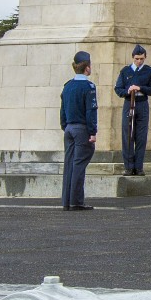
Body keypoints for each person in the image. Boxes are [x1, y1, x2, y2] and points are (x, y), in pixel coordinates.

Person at [58, 51, 98, 210]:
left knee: (69, 164)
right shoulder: (88, 86)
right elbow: (91, 111)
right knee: (79, 164)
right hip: (81, 129)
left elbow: (62, 110)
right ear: (87, 68)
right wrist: (92, 131)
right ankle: (76, 201)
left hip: (68, 128)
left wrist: (64, 126)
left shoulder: (67, 86)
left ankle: (66, 201)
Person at [115, 45, 151, 174]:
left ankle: (138, 167)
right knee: (128, 134)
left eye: (141, 59)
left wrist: (140, 88)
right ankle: (128, 166)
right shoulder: (125, 71)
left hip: (142, 103)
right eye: (137, 59)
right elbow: (118, 89)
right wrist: (128, 91)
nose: (139, 61)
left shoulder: (149, 71)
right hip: (129, 102)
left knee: (141, 136)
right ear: (133, 58)